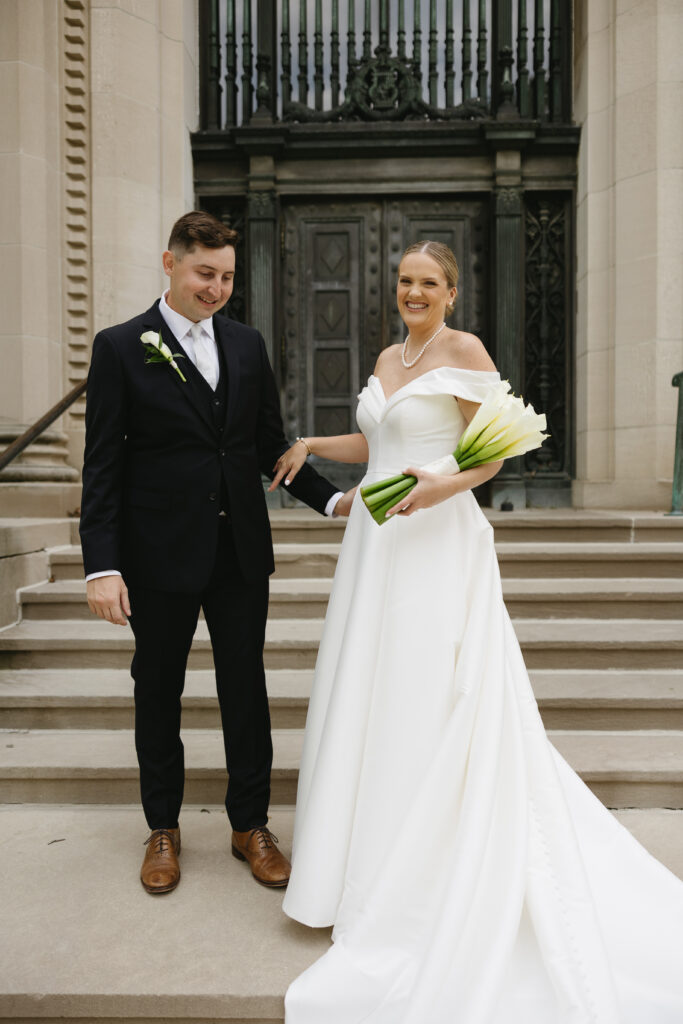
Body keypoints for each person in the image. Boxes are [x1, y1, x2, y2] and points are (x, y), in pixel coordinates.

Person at [274, 241, 683, 1022]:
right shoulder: (390, 353)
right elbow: (380, 443)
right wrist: (312, 445)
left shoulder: (461, 350)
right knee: (371, 689)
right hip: (374, 537)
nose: (413, 292)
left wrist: (441, 486)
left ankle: (425, 869)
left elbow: (491, 454)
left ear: (452, 293)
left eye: (428, 282)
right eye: (403, 281)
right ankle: (360, 865)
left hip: (434, 539)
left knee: (425, 691)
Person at [79, 210, 352, 895]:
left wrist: (333, 501)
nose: (217, 288)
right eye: (205, 273)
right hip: (154, 554)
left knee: (244, 689)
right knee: (158, 690)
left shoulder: (245, 343)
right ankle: (163, 827)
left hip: (237, 551)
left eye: (227, 276)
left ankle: (249, 825)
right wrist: (101, 564)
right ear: (168, 263)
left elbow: (267, 443)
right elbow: (102, 465)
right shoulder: (120, 347)